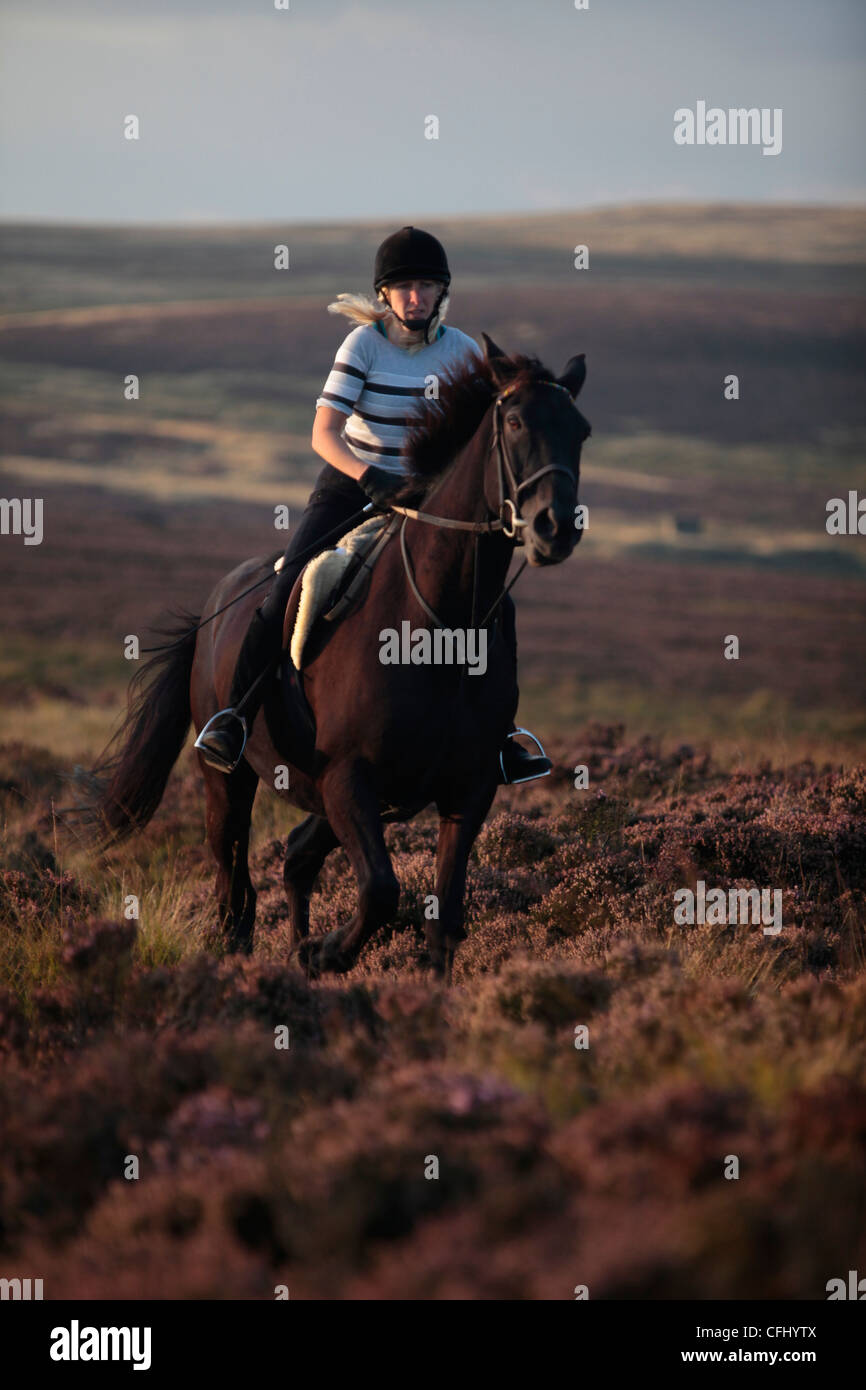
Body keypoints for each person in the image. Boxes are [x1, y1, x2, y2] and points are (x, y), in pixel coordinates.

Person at [195, 225, 551, 784]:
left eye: (427, 286)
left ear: (442, 292)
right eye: (404, 287)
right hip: (352, 485)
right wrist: (369, 476)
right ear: (384, 295)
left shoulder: (463, 352)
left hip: (433, 502)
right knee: (290, 583)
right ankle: (234, 718)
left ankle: (502, 736)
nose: (416, 297)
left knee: (491, 604)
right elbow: (323, 433)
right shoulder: (362, 345)